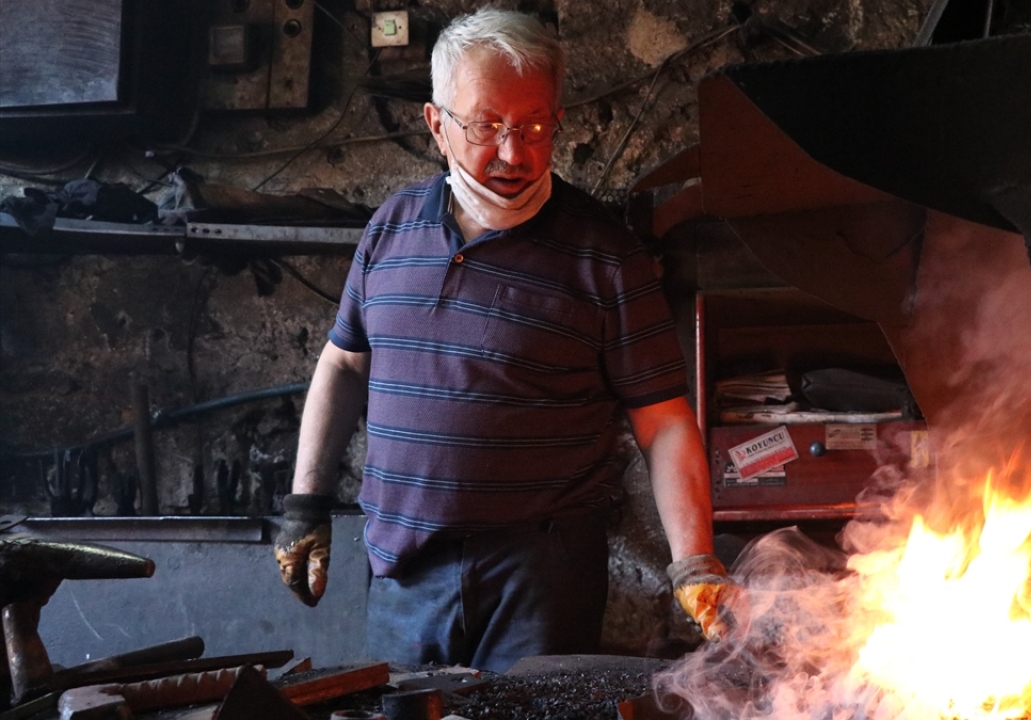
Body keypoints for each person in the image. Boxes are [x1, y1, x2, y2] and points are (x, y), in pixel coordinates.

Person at [273, 7, 732, 672]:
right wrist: (305, 504)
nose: (514, 153)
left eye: (534, 127)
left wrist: (695, 560)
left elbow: (663, 422)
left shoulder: (604, 256)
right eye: (487, 126)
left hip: (540, 577)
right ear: (437, 124)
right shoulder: (390, 229)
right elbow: (345, 365)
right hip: (406, 569)